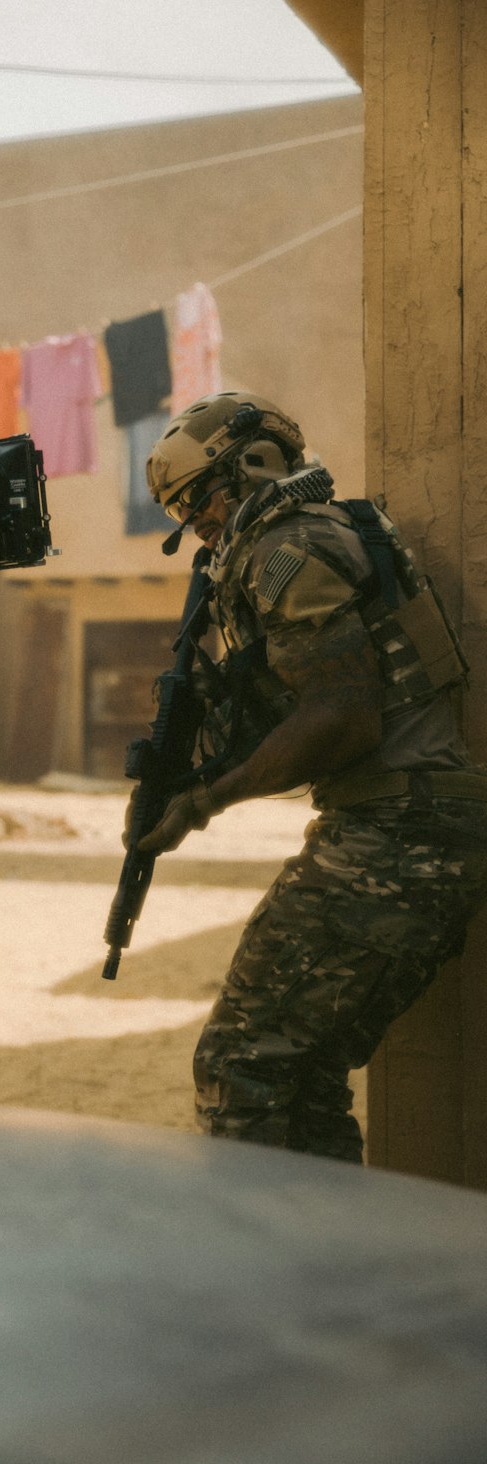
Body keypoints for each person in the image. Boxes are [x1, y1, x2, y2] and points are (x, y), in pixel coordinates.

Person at [137, 390, 487, 1163]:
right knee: (300, 1077)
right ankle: (331, 1266)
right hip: (413, 827)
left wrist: (204, 802)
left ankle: (282, 1270)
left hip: (399, 835)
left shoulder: (285, 549)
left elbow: (341, 717)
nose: (198, 526)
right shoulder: (310, 536)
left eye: (200, 506)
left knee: (241, 1065)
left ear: (249, 472)